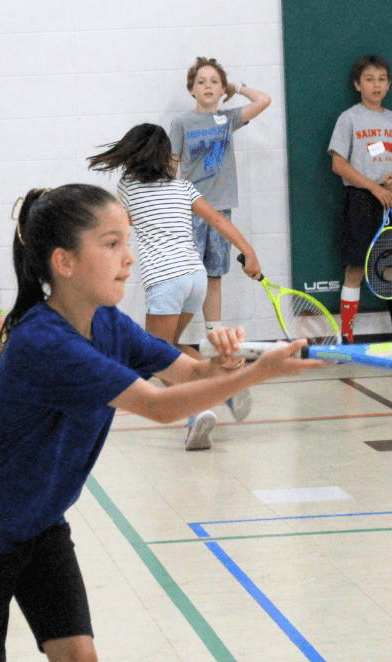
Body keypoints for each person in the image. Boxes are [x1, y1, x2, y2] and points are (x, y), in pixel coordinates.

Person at [0, 185, 322, 662]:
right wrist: (257, 374)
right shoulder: (46, 343)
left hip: (38, 524)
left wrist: (227, 362)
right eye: (111, 243)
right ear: (63, 262)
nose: (129, 257)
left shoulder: (107, 323)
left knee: (80, 661)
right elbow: (159, 407)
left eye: (126, 241)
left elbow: (190, 372)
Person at [88, 123, 263, 449]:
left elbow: (116, 227)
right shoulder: (183, 188)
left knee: (156, 355)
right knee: (170, 346)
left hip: (166, 280)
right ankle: (228, 386)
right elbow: (219, 220)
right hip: (195, 277)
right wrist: (249, 252)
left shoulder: (128, 188)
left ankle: (199, 411)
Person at [168, 57, 270, 340]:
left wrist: (236, 87)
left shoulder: (228, 119)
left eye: (214, 82)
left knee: (213, 277)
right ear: (192, 90)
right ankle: (168, 339)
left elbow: (264, 100)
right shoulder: (181, 123)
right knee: (188, 279)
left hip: (221, 211)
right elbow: (170, 163)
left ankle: (214, 338)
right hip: (191, 211)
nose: (208, 86)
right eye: (201, 82)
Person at [328, 55, 392, 342]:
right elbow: (338, 164)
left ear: (388, 85)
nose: (375, 85)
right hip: (360, 200)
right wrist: (373, 188)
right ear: (357, 84)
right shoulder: (349, 117)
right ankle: (347, 337)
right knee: (355, 268)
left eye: (381, 79)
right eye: (369, 79)